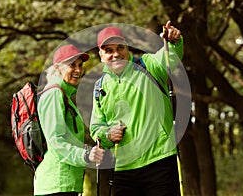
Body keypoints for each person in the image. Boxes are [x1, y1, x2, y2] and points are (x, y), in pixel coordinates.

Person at [90, 21, 183, 196]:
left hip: (159, 159)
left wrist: (174, 42)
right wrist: (108, 135)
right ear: (101, 56)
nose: (115, 54)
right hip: (123, 168)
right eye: (108, 51)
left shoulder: (148, 66)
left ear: (127, 48)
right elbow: (96, 128)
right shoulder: (99, 87)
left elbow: (169, 57)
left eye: (120, 48)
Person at [34, 44, 105, 196]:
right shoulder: (54, 94)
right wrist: (85, 155)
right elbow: (56, 141)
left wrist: (87, 150)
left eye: (80, 65)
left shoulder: (65, 95)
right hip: (56, 183)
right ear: (57, 67)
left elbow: (67, 139)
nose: (78, 70)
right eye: (71, 65)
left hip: (65, 184)